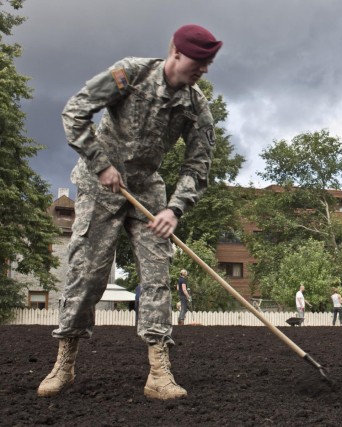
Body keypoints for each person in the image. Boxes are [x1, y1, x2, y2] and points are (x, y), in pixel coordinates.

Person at [37, 24, 222, 401]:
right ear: (175, 52)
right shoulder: (130, 74)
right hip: (99, 186)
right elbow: (75, 113)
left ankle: (158, 373)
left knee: (156, 278)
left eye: (208, 65)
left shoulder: (195, 105)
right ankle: (64, 363)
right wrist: (101, 163)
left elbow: (198, 164)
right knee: (87, 276)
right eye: (197, 63)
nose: (202, 70)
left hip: (148, 192)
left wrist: (175, 209)